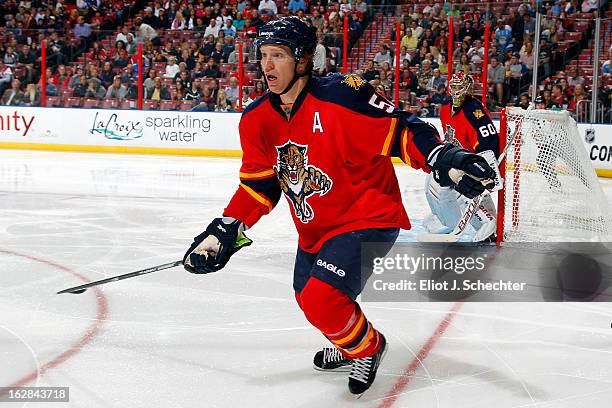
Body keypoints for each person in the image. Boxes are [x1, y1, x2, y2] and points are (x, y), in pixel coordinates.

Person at [182, 17, 495, 395]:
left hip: (368, 215)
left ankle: (368, 347)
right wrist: (227, 227)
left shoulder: (342, 96)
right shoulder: (256, 120)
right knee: (308, 296)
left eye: (277, 56)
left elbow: (402, 131)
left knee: (322, 298)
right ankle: (349, 344)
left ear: (302, 60)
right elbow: (259, 185)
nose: (267, 66)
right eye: (263, 55)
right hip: (315, 227)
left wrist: (443, 156)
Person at [427, 72, 500, 242]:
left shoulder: (474, 111)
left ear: (467, 89)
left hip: (472, 164)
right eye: (453, 86)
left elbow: (489, 144)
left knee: (462, 189)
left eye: (459, 87)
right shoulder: (445, 107)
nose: (455, 90)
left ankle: (488, 225)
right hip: (456, 159)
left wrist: (484, 172)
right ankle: (444, 218)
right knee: (433, 183)